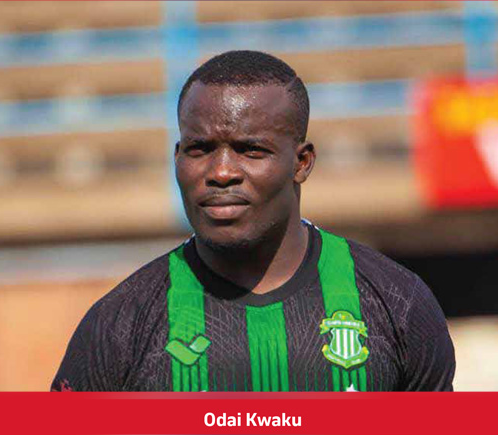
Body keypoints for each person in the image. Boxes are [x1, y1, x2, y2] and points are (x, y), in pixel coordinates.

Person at [51, 50, 455, 392]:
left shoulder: (397, 304)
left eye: (250, 150)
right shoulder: (120, 324)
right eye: (199, 149)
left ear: (302, 162)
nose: (221, 171)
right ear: (177, 156)